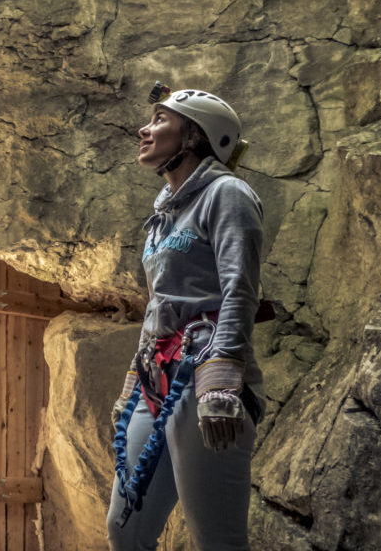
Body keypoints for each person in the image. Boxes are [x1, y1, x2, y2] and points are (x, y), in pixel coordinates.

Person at [105, 85, 265, 551]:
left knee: (216, 538)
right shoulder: (161, 215)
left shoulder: (227, 194)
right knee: (124, 528)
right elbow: (158, 305)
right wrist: (133, 384)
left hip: (205, 377)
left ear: (194, 135)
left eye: (159, 119)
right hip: (157, 381)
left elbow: (241, 290)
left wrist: (221, 380)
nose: (144, 128)